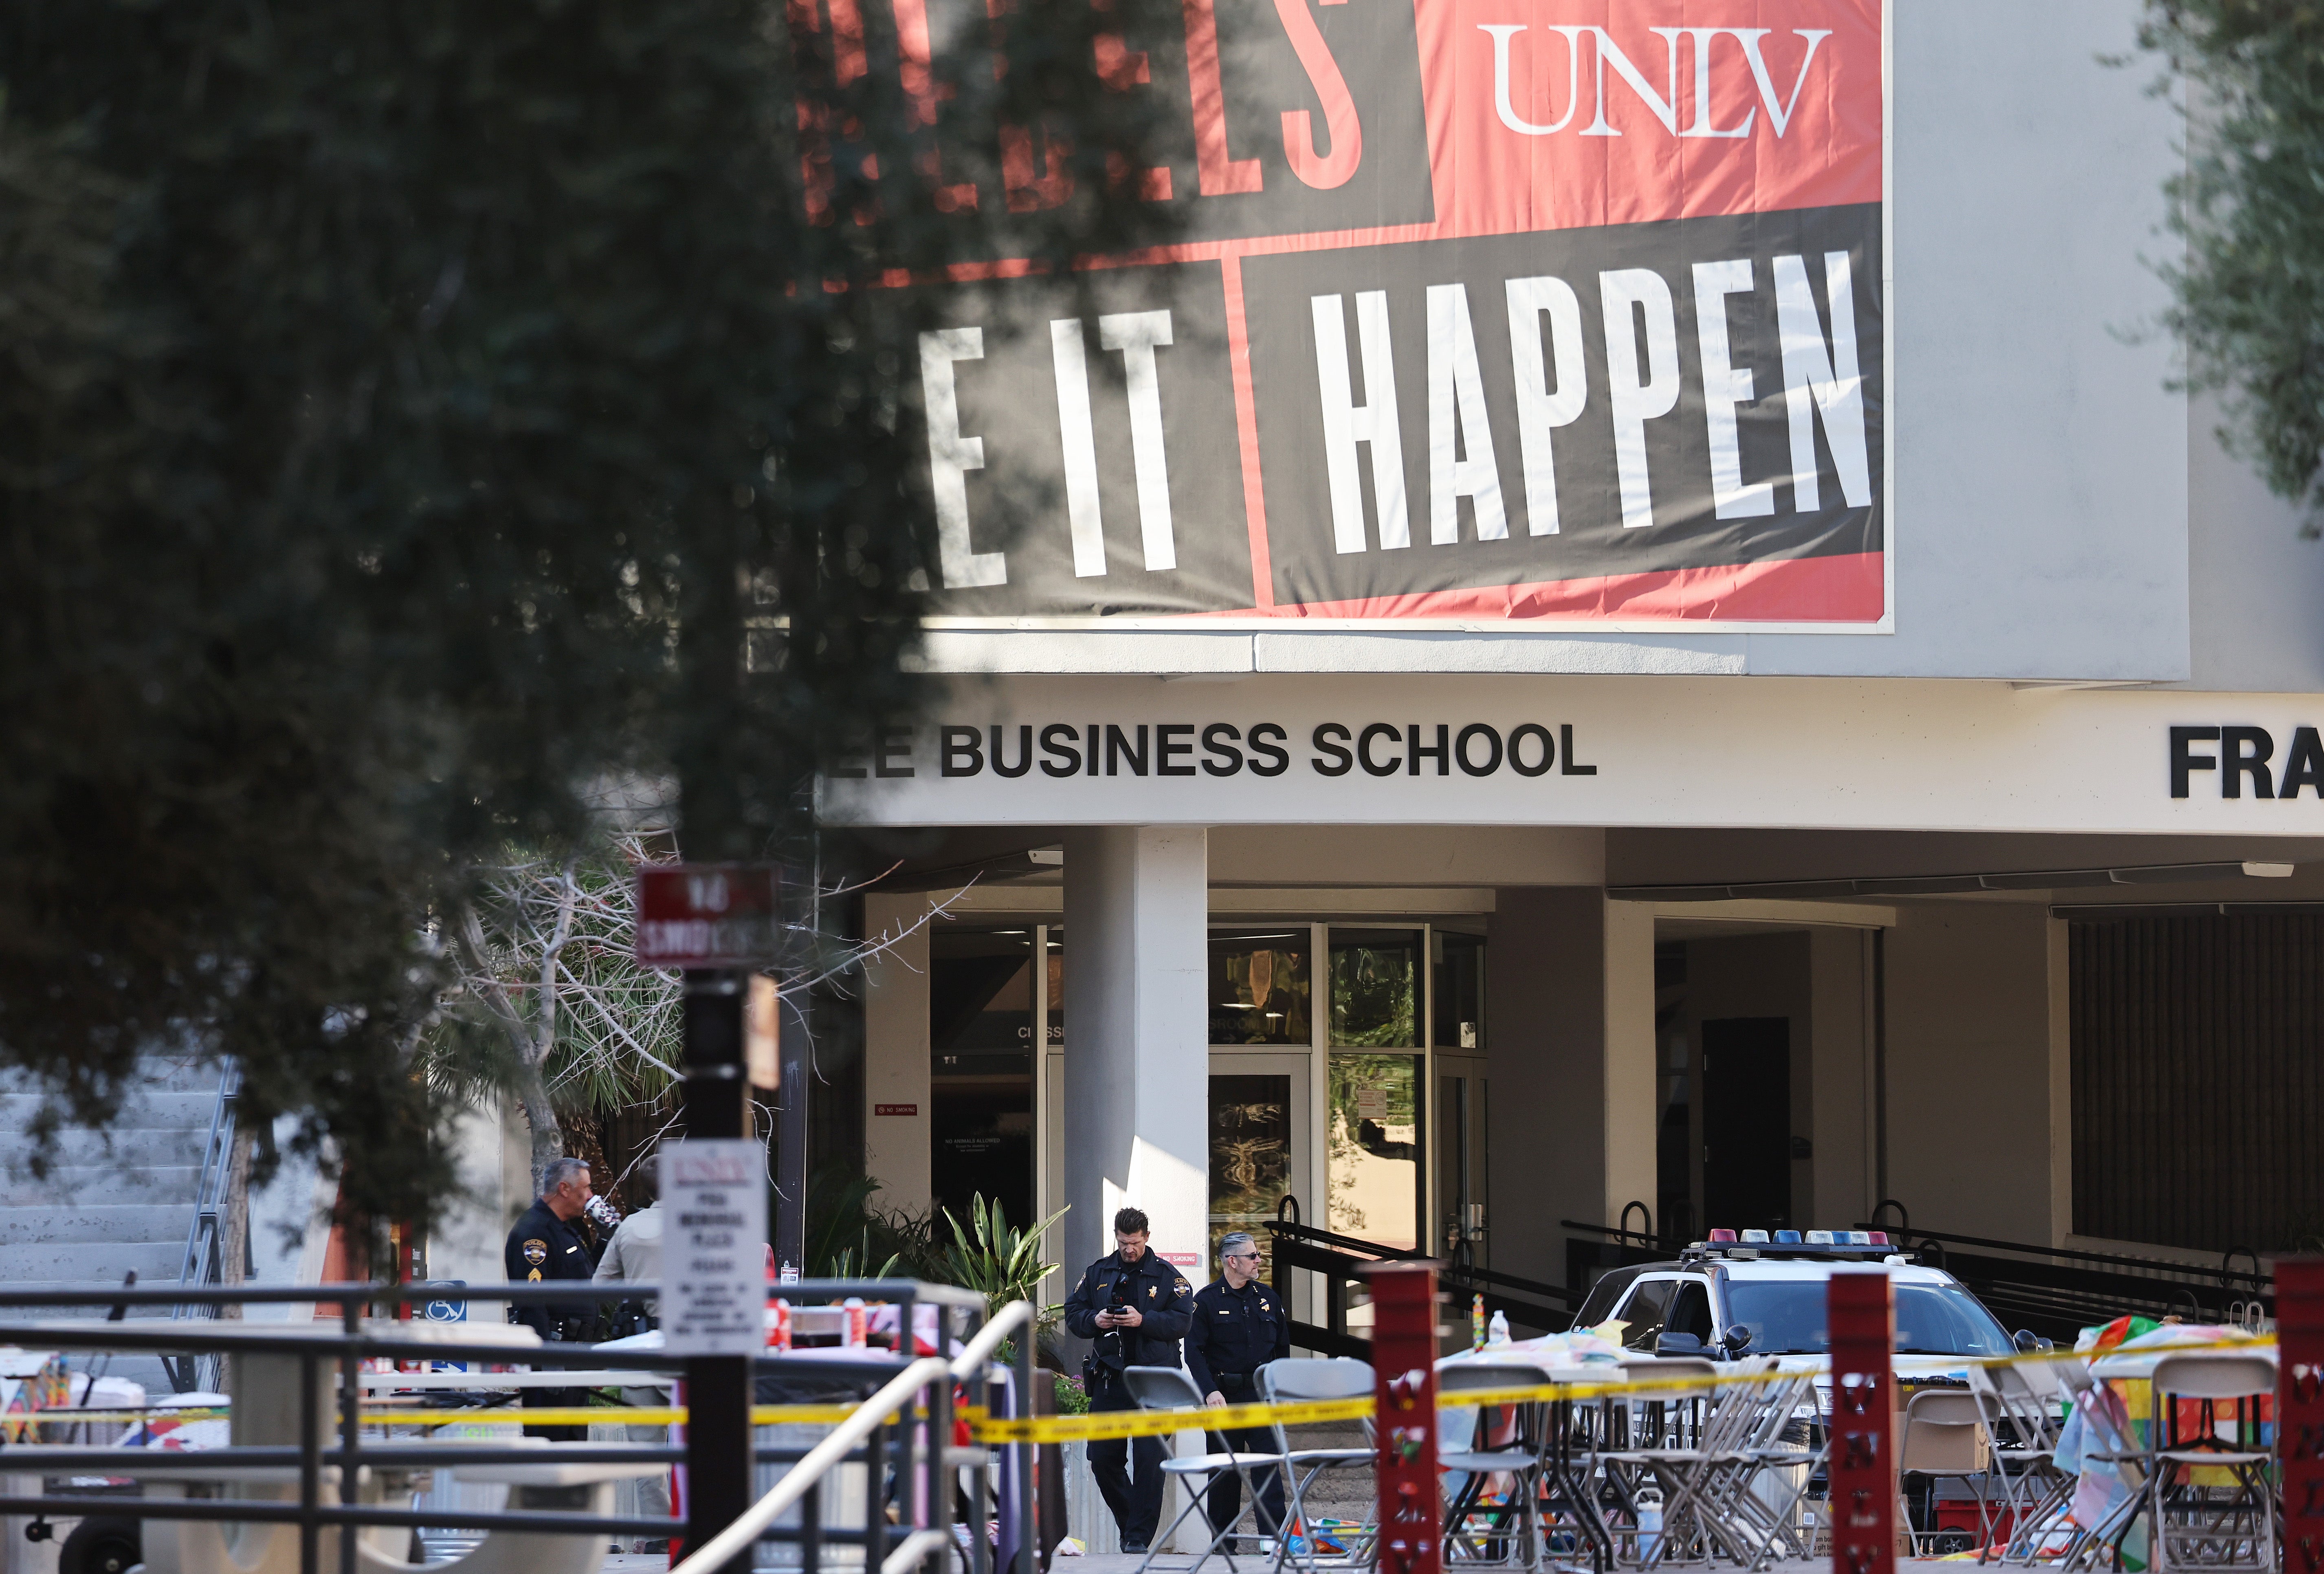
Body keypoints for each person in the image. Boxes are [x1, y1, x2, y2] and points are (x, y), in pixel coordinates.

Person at [1062, 1207, 1195, 1553]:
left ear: (1146, 1237)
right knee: (1102, 1459)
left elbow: (1182, 1323)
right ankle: (1130, 1524)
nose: (1128, 1250)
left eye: (1134, 1243)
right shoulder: (1099, 1272)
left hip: (1155, 1382)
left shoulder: (1168, 1276)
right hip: (1110, 1379)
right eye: (1123, 1243)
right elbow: (1073, 1314)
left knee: (1151, 1461)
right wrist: (1097, 1318)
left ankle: (1137, 1538)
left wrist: (1143, 1320)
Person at [1183, 1232, 1291, 1543]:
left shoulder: (1268, 1298)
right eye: (1252, 1255)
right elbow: (1193, 1352)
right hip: (1223, 1398)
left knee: (1268, 1473)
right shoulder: (1206, 1301)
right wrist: (1208, 1391)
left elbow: (1281, 1349)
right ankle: (1223, 1545)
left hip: (1261, 1398)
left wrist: (1278, 1390)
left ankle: (1273, 1543)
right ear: (1232, 1261)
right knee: (1223, 1476)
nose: (1259, 1260)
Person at [503, 1155, 601, 1441]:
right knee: (549, 1441)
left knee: (574, 1443)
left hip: (576, 1353)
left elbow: (589, 1279)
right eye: (586, 1187)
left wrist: (606, 1239)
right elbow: (531, 1299)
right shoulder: (535, 1231)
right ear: (565, 1188)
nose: (591, 1195)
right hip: (555, 1350)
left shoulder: (567, 1229)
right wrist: (548, 1357)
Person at [591, 1196, 670, 1548]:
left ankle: (659, 1534)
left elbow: (602, 1286)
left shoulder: (629, 1227)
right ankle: (709, 1528)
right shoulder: (706, 1224)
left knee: (647, 1448)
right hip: (696, 1347)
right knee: (707, 1445)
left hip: (641, 1348)